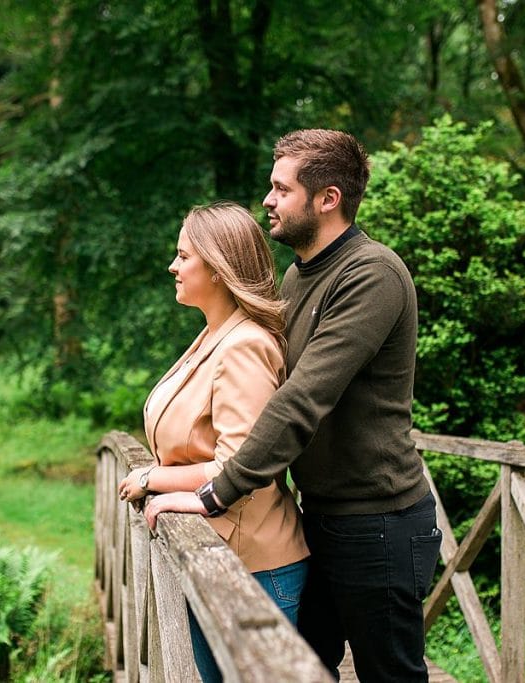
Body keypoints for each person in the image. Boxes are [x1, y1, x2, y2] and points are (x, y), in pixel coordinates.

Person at [144, 130, 442, 682]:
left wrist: (214, 493)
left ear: (327, 198)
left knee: (390, 676)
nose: (268, 200)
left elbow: (301, 400)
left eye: (281, 189)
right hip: (321, 520)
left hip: (378, 522)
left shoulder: (371, 274)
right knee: (298, 669)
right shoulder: (299, 276)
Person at [118, 202, 309, 683]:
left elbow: (238, 464)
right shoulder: (214, 335)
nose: (173, 266)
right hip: (218, 555)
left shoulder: (245, 345)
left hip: (253, 569)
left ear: (219, 270)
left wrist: (150, 477)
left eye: (184, 257)